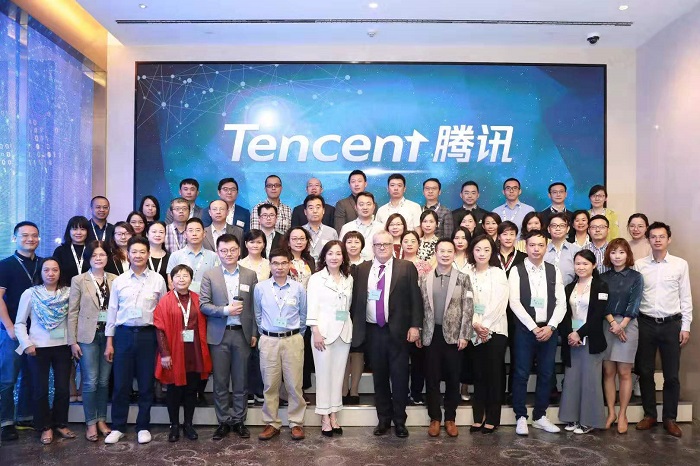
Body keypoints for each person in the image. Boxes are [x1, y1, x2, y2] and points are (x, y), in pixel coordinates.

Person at [349, 230, 423, 438]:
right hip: (373, 331)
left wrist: (415, 326)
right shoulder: (362, 269)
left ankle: (400, 421)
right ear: (372, 247)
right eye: (378, 244)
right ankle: (383, 420)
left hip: (399, 332)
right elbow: (356, 301)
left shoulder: (406, 267)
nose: (382, 247)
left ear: (393, 246)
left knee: (400, 377)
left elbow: (416, 298)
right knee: (379, 378)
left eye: (386, 244)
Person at [104, 236, 167, 445]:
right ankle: (118, 427)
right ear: (128, 255)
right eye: (134, 252)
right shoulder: (119, 281)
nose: (138, 255)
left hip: (148, 336)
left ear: (148, 254)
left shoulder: (158, 280)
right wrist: (109, 342)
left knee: (146, 384)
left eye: (142, 252)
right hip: (123, 335)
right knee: (121, 384)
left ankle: (143, 426)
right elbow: (112, 312)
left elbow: (162, 311)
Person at [635, 222, 692, 438]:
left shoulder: (680, 265)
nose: (657, 240)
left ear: (669, 239)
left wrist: (685, 326)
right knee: (645, 371)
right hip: (645, 324)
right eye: (653, 236)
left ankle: (670, 418)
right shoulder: (640, 265)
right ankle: (650, 414)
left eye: (661, 236)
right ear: (648, 239)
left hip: (671, 324)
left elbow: (685, 297)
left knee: (671, 375)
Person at [200, 234, 259, 440]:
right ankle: (224, 421)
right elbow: (204, 305)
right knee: (221, 382)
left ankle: (239, 420)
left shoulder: (250, 275)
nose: (229, 254)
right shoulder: (210, 275)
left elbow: (254, 307)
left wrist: (254, 333)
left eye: (233, 250)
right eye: (224, 250)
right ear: (217, 252)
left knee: (241, 381)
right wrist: (226, 310)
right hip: (219, 335)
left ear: (239, 250)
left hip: (242, 334)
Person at [509, 230, 566, 436]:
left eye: (540, 245)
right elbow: (514, 302)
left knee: (546, 373)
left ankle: (540, 416)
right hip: (525, 330)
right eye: (532, 245)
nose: (536, 249)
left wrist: (551, 326)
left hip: (549, 330)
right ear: (525, 246)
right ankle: (520, 416)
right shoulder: (516, 270)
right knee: (521, 373)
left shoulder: (553, 270)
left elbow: (561, 303)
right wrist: (533, 327)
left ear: (546, 246)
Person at [14, 258, 75, 444]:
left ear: (60, 272)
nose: (51, 273)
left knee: (63, 389)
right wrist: (26, 344)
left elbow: (73, 319)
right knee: (40, 389)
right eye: (46, 270)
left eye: (55, 270)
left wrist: (73, 342)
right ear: (40, 273)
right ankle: (44, 427)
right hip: (37, 348)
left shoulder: (69, 293)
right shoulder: (30, 293)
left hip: (63, 347)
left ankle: (60, 423)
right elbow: (20, 322)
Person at [419, 239, 472, 438]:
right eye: (441, 251)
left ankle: (450, 418)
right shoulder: (424, 278)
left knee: (453, 378)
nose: (445, 254)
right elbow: (419, 307)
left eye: (449, 251)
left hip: (454, 336)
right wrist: (419, 330)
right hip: (431, 335)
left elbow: (468, 308)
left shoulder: (463, 278)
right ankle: (434, 418)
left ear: (454, 253)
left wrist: (465, 334)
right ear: (435, 252)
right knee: (431, 378)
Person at [154, 264, 212, 442]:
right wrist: (165, 354)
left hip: (194, 351)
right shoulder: (165, 300)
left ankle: (188, 424)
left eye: (185, 275)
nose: (181, 279)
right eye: (177, 276)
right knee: (174, 390)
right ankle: (174, 426)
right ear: (171, 280)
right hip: (174, 351)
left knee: (191, 390)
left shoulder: (197, 299)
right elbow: (159, 328)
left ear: (191, 279)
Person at [254, 248, 307, 441]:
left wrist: (295, 335)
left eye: (284, 263)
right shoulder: (260, 288)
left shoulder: (298, 288)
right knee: (270, 384)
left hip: (293, 339)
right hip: (269, 340)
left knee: (295, 384)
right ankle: (271, 422)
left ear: (289, 264)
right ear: (270, 265)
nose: (280, 267)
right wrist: (267, 333)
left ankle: (296, 422)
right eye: (275, 263)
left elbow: (303, 315)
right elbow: (258, 314)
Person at [67, 241, 116, 442]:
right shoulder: (79, 280)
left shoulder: (115, 279)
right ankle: (90, 423)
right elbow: (72, 312)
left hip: (109, 336)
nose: (98, 258)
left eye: (102, 254)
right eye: (94, 255)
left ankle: (102, 420)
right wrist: (72, 341)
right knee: (90, 381)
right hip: (87, 337)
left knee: (104, 381)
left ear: (107, 257)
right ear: (88, 258)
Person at [558, 250, 609, 434]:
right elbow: (564, 314)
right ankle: (571, 417)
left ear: (594, 265)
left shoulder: (601, 286)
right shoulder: (569, 288)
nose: (581, 267)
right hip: (572, 340)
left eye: (585, 263)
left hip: (590, 339)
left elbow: (597, 316)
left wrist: (579, 333)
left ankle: (589, 421)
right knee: (572, 380)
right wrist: (570, 334)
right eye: (578, 263)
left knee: (590, 381)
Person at [0, 221, 42, 441]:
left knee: (30, 374)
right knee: (8, 377)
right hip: (12, 332)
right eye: (25, 235)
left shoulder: (43, 264)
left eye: (34, 235)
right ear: (15, 238)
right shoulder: (5, 265)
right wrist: (9, 327)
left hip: (37, 331)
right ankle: (6, 422)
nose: (30, 239)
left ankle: (25, 417)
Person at [307, 241, 353, 436]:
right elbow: (312, 306)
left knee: (338, 376)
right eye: (330, 253)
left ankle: (334, 414)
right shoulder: (316, 279)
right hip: (323, 333)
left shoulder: (348, 278)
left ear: (343, 257)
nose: (334, 257)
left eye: (338, 253)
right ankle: (324, 416)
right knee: (324, 375)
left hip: (344, 332)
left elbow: (347, 306)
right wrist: (315, 331)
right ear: (324, 257)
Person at [600, 238, 642, 434]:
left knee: (624, 372)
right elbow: (601, 303)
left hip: (629, 325)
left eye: (621, 252)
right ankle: (611, 412)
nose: (617, 256)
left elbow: (635, 303)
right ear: (608, 255)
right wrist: (613, 323)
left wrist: (622, 325)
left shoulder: (636, 277)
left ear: (628, 255)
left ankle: (623, 413)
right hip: (607, 324)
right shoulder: (602, 277)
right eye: (613, 252)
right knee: (608, 372)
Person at [467, 235, 509, 433]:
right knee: (478, 374)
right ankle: (478, 416)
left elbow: (499, 303)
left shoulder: (498, 273)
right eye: (478, 249)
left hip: (496, 330)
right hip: (473, 330)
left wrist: (484, 326)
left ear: (492, 252)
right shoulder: (467, 272)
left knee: (493, 374)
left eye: (486, 250)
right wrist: (475, 324)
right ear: (472, 251)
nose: (482, 253)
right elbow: (465, 302)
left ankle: (492, 417)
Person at [495, 221, 526, 403]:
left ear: (516, 237)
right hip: (496, 313)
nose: (508, 238)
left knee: (517, 353)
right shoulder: (491, 256)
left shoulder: (523, 258)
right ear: (499, 236)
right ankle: (498, 391)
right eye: (504, 234)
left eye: (511, 234)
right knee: (497, 355)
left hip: (517, 313)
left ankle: (514, 391)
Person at [237, 230, 268, 407]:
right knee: (247, 354)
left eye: (259, 242)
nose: (255, 245)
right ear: (246, 244)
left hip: (266, 314)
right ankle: (248, 390)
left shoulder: (270, 264)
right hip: (246, 313)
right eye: (251, 242)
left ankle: (260, 390)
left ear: (264, 244)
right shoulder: (239, 264)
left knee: (262, 355)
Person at [284, 227, 316, 396]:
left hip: (307, 311)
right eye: (295, 239)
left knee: (304, 351)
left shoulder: (309, 260)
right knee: (288, 352)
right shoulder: (282, 260)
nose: (298, 242)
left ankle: (300, 391)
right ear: (288, 241)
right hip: (287, 311)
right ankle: (285, 391)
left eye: (302, 238)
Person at [341, 232, 366, 405]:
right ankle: (343, 389)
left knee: (357, 351)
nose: (353, 245)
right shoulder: (339, 263)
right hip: (341, 312)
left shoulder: (368, 265)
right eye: (349, 242)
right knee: (342, 351)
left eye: (357, 242)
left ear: (362, 245)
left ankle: (355, 389)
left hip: (361, 312)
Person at [166, 218, 219, 293]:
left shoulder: (213, 256)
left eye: (198, 230)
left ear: (204, 234)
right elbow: (171, 284)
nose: (194, 234)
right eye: (190, 230)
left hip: (205, 299)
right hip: (181, 299)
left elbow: (216, 283)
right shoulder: (175, 256)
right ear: (185, 234)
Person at [339, 191, 384, 261]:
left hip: (375, 265)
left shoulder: (381, 228)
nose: (365, 207)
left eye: (368, 204)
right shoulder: (347, 227)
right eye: (361, 204)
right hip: (351, 265)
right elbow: (341, 250)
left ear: (374, 207)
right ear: (356, 207)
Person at [544, 213, 581, 286]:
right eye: (554, 225)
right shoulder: (542, 251)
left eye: (562, 225)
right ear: (548, 229)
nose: (558, 228)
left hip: (570, 291)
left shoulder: (576, 251)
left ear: (568, 229)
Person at [52, 216, 91, 285]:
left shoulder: (92, 250)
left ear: (88, 231)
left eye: (82, 229)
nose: (79, 232)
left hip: (89, 289)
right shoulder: (60, 251)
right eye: (75, 229)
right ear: (69, 231)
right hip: (66, 290)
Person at [301, 194, 338, 262]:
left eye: (318, 207)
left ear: (323, 210)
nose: (315, 211)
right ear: (305, 212)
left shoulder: (332, 232)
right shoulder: (300, 232)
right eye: (311, 208)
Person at [146, 221, 171, 287]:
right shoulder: (141, 256)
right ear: (147, 234)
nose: (157, 235)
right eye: (154, 232)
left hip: (165, 292)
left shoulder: (170, 257)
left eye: (161, 232)